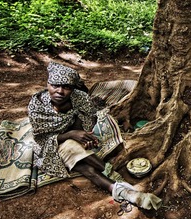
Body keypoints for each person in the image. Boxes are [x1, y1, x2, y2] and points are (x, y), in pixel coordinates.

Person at [27, 61, 161, 210]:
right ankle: (117, 180)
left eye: (66, 87)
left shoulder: (79, 98)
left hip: (74, 134)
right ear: (48, 84)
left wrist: (84, 134)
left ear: (72, 89)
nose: (60, 91)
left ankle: (125, 192)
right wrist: (71, 135)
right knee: (75, 151)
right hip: (51, 143)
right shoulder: (37, 106)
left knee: (89, 162)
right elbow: (41, 138)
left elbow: (89, 117)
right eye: (55, 85)